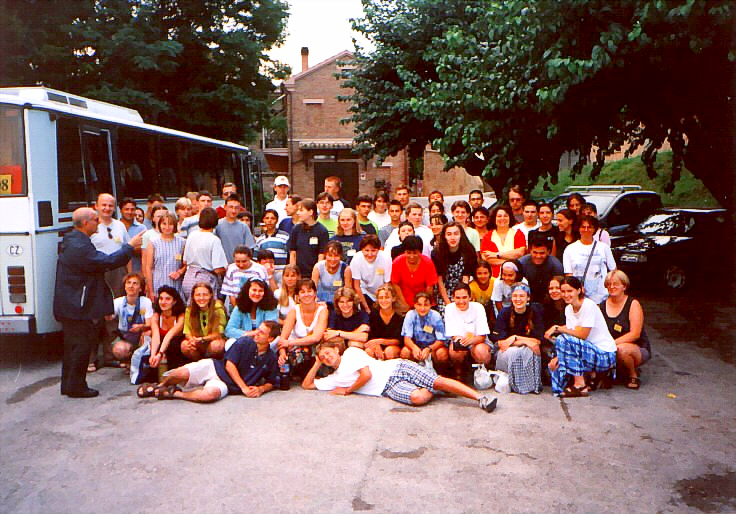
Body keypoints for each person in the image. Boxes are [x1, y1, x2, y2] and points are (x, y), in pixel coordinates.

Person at [54, 207, 143, 397]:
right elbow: (105, 262)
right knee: (81, 345)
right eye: (95, 220)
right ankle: (76, 387)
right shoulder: (79, 245)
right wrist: (129, 247)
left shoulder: (75, 240)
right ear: (85, 223)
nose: (99, 223)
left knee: (72, 346)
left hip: (71, 303)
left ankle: (69, 384)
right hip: (77, 305)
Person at [302, 342, 498, 412]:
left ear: (336, 349)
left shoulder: (351, 353)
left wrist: (348, 390)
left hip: (396, 368)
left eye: (328, 353)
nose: (327, 357)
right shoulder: (334, 378)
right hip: (387, 388)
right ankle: (435, 388)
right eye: (323, 357)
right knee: (418, 398)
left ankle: (480, 398)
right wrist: (317, 363)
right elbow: (307, 385)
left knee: (438, 381)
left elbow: (366, 375)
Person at [142, 321, 281, 402]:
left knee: (209, 395)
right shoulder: (244, 342)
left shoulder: (270, 358)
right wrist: (244, 387)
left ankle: (175, 393)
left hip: (226, 385)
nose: (256, 333)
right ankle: (158, 386)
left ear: (270, 339)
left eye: (261, 333)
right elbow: (229, 365)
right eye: (257, 330)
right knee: (179, 374)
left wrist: (261, 389)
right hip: (214, 367)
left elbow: (273, 381)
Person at [544, 277, 617, 397]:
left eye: (570, 291)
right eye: (563, 291)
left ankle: (580, 384)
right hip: (586, 351)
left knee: (563, 339)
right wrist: (558, 357)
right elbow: (572, 336)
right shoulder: (568, 309)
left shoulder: (589, 305)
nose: (566, 295)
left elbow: (582, 335)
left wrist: (558, 328)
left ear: (578, 290)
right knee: (555, 363)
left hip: (604, 354)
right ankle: (590, 378)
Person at [600, 270, 651, 390]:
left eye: (615, 284)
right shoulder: (601, 306)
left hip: (634, 346)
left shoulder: (633, 304)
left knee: (621, 350)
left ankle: (633, 374)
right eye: (609, 284)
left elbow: (635, 334)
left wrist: (612, 344)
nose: (612, 287)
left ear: (624, 286)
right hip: (608, 346)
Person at [492, 283, 544, 394]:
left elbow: (537, 341)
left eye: (521, 296)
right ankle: (516, 384)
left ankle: (530, 385)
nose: (518, 299)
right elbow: (501, 343)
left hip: (526, 349)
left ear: (528, 298)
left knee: (530, 351)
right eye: (515, 296)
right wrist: (524, 342)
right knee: (515, 352)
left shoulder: (535, 312)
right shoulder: (504, 313)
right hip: (507, 352)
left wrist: (515, 338)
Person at [277, 279, 329, 378]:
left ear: (315, 293)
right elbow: (283, 338)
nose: (306, 295)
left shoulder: (323, 310)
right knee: (286, 359)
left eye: (309, 291)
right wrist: (282, 354)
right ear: (297, 295)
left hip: (314, 347)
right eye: (302, 292)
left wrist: (290, 343)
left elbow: (316, 337)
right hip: (296, 348)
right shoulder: (293, 311)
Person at [563, 214, 616, 304]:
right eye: (583, 227)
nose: (586, 230)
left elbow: (613, 271)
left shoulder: (604, 247)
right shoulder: (570, 249)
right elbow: (569, 274)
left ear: (594, 229)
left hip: (602, 298)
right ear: (578, 229)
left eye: (589, 227)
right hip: (579, 298)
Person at [181, 207, 228, 303]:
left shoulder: (192, 235)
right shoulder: (214, 240)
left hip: (188, 278)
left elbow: (185, 261)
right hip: (205, 279)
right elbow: (218, 268)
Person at [445, 283, 492, 378]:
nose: (461, 301)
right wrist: (461, 340)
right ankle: (459, 373)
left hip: (478, 341)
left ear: (470, 297)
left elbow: (482, 336)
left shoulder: (478, 307)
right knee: (455, 350)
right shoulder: (449, 308)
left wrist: (472, 340)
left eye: (464, 297)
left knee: (481, 351)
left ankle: (484, 373)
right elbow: (453, 335)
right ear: (453, 298)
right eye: (457, 298)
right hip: (461, 341)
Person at [432, 221, 478, 315]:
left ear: (461, 235)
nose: (453, 237)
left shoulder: (469, 251)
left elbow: (466, 277)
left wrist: (462, 299)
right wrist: (448, 303)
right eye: (449, 234)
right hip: (443, 290)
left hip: (463, 288)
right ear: (444, 236)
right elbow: (439, 281)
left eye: (456, 234)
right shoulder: (437, 253)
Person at [109, 273, 153, 368]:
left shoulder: (146, 301)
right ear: (125, 286)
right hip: (125, 336)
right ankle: (127, 360)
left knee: (148, 333)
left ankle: (142, 362)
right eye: (128, 283)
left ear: (140, 288)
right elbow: (109, 317)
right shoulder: (118, 302)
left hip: (140, 335)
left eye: (135, 283)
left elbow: (149, 324)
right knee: (119, 349)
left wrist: (141, 327)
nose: (131, 286)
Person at [90, 193, 130, 297]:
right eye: (104, 205)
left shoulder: (120, 225)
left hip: (118, 271)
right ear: (96, 206)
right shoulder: (91, 226)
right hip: (98, 271)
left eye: (110, 205)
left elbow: (127, 250)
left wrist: (129, 274)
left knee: (118, 300)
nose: (107, 208)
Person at [390, 235, 439, 313]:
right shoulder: (397, 262)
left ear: (420, 252)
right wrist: (403, 303)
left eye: (415, 253)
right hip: (403, 300)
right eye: (408, 253)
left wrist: (422, 305)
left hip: (423, 300)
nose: (411, 256)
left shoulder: (428, 263)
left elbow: (429, 288)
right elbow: (395, 284)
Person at [400, 292, 449, 369]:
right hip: (416, 347)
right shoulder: (410, 315)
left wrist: (429, 349)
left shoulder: (436, 316)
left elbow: (441, 340)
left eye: (426, 305)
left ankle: (441, 372)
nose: (422, 308)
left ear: (430, 305)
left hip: (432, 348)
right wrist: (414, 348)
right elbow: (407, 338)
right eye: (419, 305)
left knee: (441, 353)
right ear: (415, 305)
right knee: (405, 352)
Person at [144, 212, 186, 300]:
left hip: (176, 285)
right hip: (158, 284)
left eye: (170, 224)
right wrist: (150, 290)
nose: (167, 227)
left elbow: (187, 264)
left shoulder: (182, 242)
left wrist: (179, 272)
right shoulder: (153, 242)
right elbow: (148, 268)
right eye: (164, 224)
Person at [181, 282, 227, 361]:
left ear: (210, 295)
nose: (201, 298)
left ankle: (213, 363)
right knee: (184, 345)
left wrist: (202, 339)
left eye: (205, 295)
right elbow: (187, 331)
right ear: (193, 296)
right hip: (198, 342)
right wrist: (192, 340)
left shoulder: (217, 307)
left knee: (216, 345)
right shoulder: (189, 309)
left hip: (212, 341)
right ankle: (197, 363)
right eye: (198, 295)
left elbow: (219, 333)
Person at [225, 278, 279, 344]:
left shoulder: (270, 306)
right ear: (248, 291)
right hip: (244, 341)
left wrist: (259, 335)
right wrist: (249, 333)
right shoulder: (239, 307)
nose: (257, 293)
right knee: (230, 342)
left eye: (260, 291)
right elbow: (229, 330)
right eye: (254, 290)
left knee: (276, 341)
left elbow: (272, 329)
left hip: (264, 341)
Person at [480, 204, 527, 278]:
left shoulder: (518, 234)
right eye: (499, 216)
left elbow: (520, 252)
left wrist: (497, 255)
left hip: (515, 276)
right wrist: (511, 261)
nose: (502, 218)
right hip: (494, 277)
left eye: (505, 216)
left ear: (510, 218)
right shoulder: (488, 236)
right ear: (494, 219)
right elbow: (487, 258)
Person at [147, 285, 186, 371]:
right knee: (149, 342)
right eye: (161, 299)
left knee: (173, 344)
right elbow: (155, 336)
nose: (163, 302)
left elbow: (170, 335)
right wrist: (153, 355)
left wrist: (160, 354)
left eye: (167, 299)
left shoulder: (181, 316)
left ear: (174, 301)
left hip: (176, 349)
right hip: (161, 345)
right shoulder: (156, 316)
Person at [350, 235, 392, 312]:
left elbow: (387, 283)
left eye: (373, 251)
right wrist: (366, 308)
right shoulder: (356, 259)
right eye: (366, 250)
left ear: (378, 250)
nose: (370, 254)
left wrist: (382, 299)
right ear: (362, 250)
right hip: (364, 292)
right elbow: (357, 286)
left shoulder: (386, 258)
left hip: (381, 291)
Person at [289, 199, 329, 277]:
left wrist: (316, 273)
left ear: (311, 212)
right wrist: (293, 272)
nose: (298, 213)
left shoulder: (322, 230)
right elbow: (293, 252)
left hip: (313, 272)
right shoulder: (296, 229)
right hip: (299, 273)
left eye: (301, 210)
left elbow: (321, 255)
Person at [518, 235, 564, 304]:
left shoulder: (556, 265)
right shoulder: (522, 263)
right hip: (527, 300)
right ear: (530, 251)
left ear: (548, 252)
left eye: (542, 253)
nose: (538, 256)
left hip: (550, 300)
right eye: (535, 252)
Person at [365, 284, 403, 360]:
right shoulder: (374, 314)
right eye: (381, 298)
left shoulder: (399, 316)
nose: (384, 300)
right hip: (377, 343)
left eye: (387, 297)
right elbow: (371, 337)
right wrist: (376, 345)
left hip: (393, 346)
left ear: (393, 298)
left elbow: (398, 341)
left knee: (389, 352)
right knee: (368, 351)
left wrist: (381, 341)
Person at [215, 194, 256, 264]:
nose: (233, 211)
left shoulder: (244, 227)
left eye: (236, 208)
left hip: (239, 265)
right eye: (231, 207)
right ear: (225, 207)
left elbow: (249, 248)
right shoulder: (217, 225)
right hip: (221, 265)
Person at [312, 241, 352, 311]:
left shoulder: (346, 269)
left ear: (341, 256)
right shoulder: (318, 267)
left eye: (336, 256)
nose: (333, 259)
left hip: (338, 304)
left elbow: (347, 292)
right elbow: (313, 288)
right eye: (330, 256)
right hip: (321, 302)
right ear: (325, 255)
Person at [254, 209, 290, 282]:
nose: (269, 221)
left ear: (276, 220)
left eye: (272, 218)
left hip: (281, 272)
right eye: (267, 218)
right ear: (263, 220)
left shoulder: (285, 236)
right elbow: (256, 258)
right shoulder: (260, 239)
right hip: (265, 273)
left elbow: (290, 254)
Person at [119, 197, 146, 272]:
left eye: (132, 209)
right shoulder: (115, 227)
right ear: (121, 210)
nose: (130, 212)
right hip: (118, 270)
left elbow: (145, 249)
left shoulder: (142, 228)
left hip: (137, 269)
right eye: (126, 209)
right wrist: (132, 247)